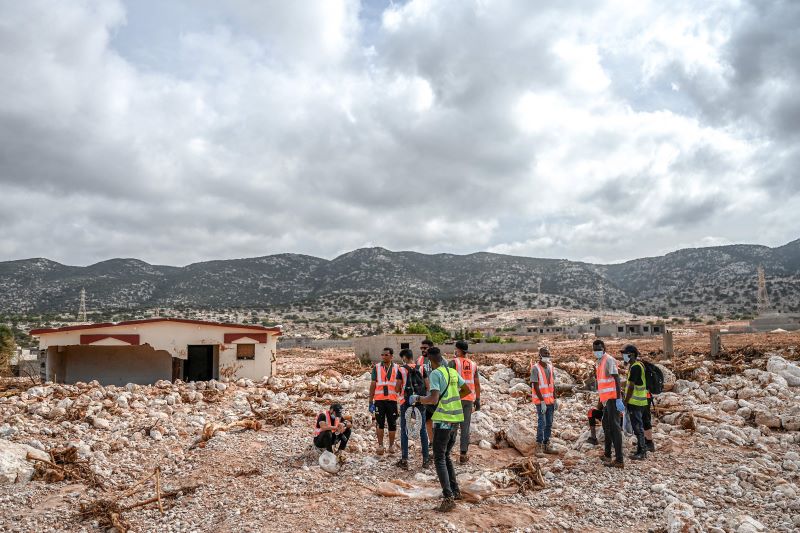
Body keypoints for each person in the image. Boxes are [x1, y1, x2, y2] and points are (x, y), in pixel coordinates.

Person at [409, 347, 471, 513]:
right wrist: (454, 399)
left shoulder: (435, 374)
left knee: (439, 458)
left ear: (430, 361)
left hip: (443, 420)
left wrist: (418, 399)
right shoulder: (451, 372)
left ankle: (448, 497)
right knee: (446, 456)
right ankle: (455, 491)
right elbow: (467, 390)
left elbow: (433, 398)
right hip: (455, 419)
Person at [395, 349, 431, 469]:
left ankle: (404, 460)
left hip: (406, 402)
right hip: (420, 401)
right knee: (422, 430)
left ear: (404, 357)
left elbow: (397, 388)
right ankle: (426, 459)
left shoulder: (401, 369)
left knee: (405, 430)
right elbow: (427, 385)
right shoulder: (421, 368)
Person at [594, 339, 625, 468]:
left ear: (604, 348)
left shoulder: (609, 360)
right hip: (606, 400)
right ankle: (607, 454)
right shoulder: (599, 362)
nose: (597, 352)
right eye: (595, 350)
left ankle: (619, 460)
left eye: (599, 349)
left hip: (612, 398)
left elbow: (616, 379)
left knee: (615, 428)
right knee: (606, 425)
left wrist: (618, 399)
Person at [449, 340, 481, 463]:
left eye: (456, 349)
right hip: (468, 399)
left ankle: (448, 450)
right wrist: (478, 399)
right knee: (465, 427)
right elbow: (477, 383)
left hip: (455, 398)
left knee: (453, 425)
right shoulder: (473, 364)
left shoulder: (453, 362)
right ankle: (463, 454)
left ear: (459, 350)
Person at [621, 344, 654, 459]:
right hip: (642, 401)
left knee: (637, 427)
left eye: (625, 354)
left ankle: (642, 452)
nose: (623, 356)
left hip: (636, 402)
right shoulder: (638, 365)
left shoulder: (635, 367)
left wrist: (625, 401)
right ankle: (643, 448)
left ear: (632, 354)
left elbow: (631, 387)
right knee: (640, 425)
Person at [369, 347, 400, 455]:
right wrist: (370, 401)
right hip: (379, 400)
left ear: (392, 356)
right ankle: (380, 445)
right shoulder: (376, 367)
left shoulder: (397, 368)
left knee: (392, 424)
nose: (383, 357)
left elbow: (400, 384)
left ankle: (391, 446)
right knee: (379, 423)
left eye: (386, 355)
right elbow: (373, 384)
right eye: (382, 355)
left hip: (392, 400)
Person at [531, 346, 558, 455]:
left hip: (550, 400)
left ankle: (547, 444)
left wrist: (555, 398)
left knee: (549, 423)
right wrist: (542, 401)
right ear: (540, 355)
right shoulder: (535, 368)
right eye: (545, 354)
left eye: (548, 354)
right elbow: (535, 385)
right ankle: (539, 445)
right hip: (540, 401)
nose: (547, 356)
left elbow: (553, 384)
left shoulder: (551, 367)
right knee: (542, 422)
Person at [418, 339, 436, 446]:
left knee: (439, 420)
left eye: (425, 348)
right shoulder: (419, 360)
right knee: (428, 419)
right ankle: (432, 441)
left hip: (437, 394)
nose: (423, 350)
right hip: (425, 395)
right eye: (421, 348)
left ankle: (441, 442)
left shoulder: (439, 360)